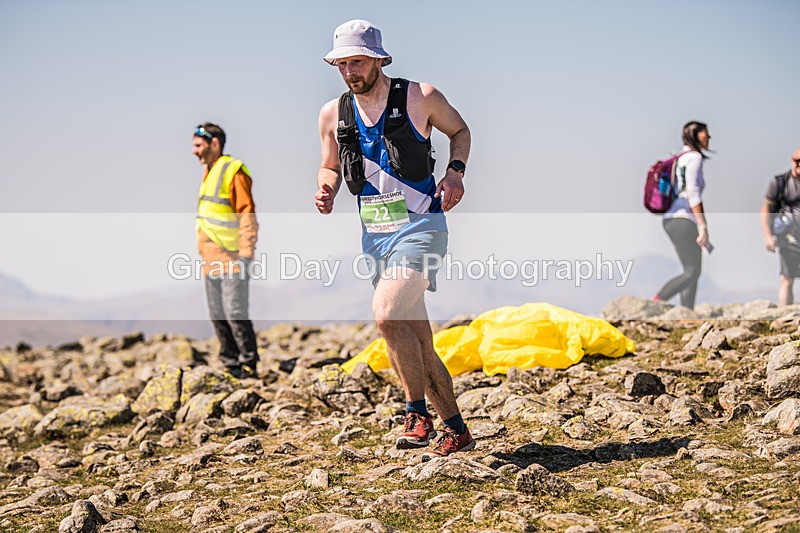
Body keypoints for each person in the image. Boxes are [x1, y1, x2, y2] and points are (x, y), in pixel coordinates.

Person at [315, 20, 473, 458]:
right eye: (342, 64)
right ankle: (456, 428)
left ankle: (415, 413)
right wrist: (326, 187)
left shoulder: (420, 96)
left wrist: (455, 173)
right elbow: (329, 164)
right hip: (376, 238)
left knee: (386, 315)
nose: (350, 72)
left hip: (422, 229)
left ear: (379, 60)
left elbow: (460, 131)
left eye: (357, 62)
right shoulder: (333, 113)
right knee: (416, 340)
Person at [192, 122, 260, 378]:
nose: (194, 151)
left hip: (233, 256)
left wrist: (246, 253)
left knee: (235, 312)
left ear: (215, 144)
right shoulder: (208, 173)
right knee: (217, 314)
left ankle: (249, 365)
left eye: (199, 145)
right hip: (210, 258)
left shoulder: (233, 170)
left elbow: (247, 213)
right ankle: (231, 365)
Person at [653, 121, 712, 309]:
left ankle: (687, 312)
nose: (709, 137)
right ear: (694, 135)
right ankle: (655, 302)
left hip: (671, 219)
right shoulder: (694, 158)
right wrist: (703, 226)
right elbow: (692, 193)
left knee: (692, 271)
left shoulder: (680, 158)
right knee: (692, 271)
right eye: (705, 134)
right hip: (683, 219)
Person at [760, 148, 800, 305]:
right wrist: (767, 236)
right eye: (797, 161)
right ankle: (784, 313)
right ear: (792, 160)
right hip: (788, 237)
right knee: (787, 279)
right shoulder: (780, 182)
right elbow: (766, 209)